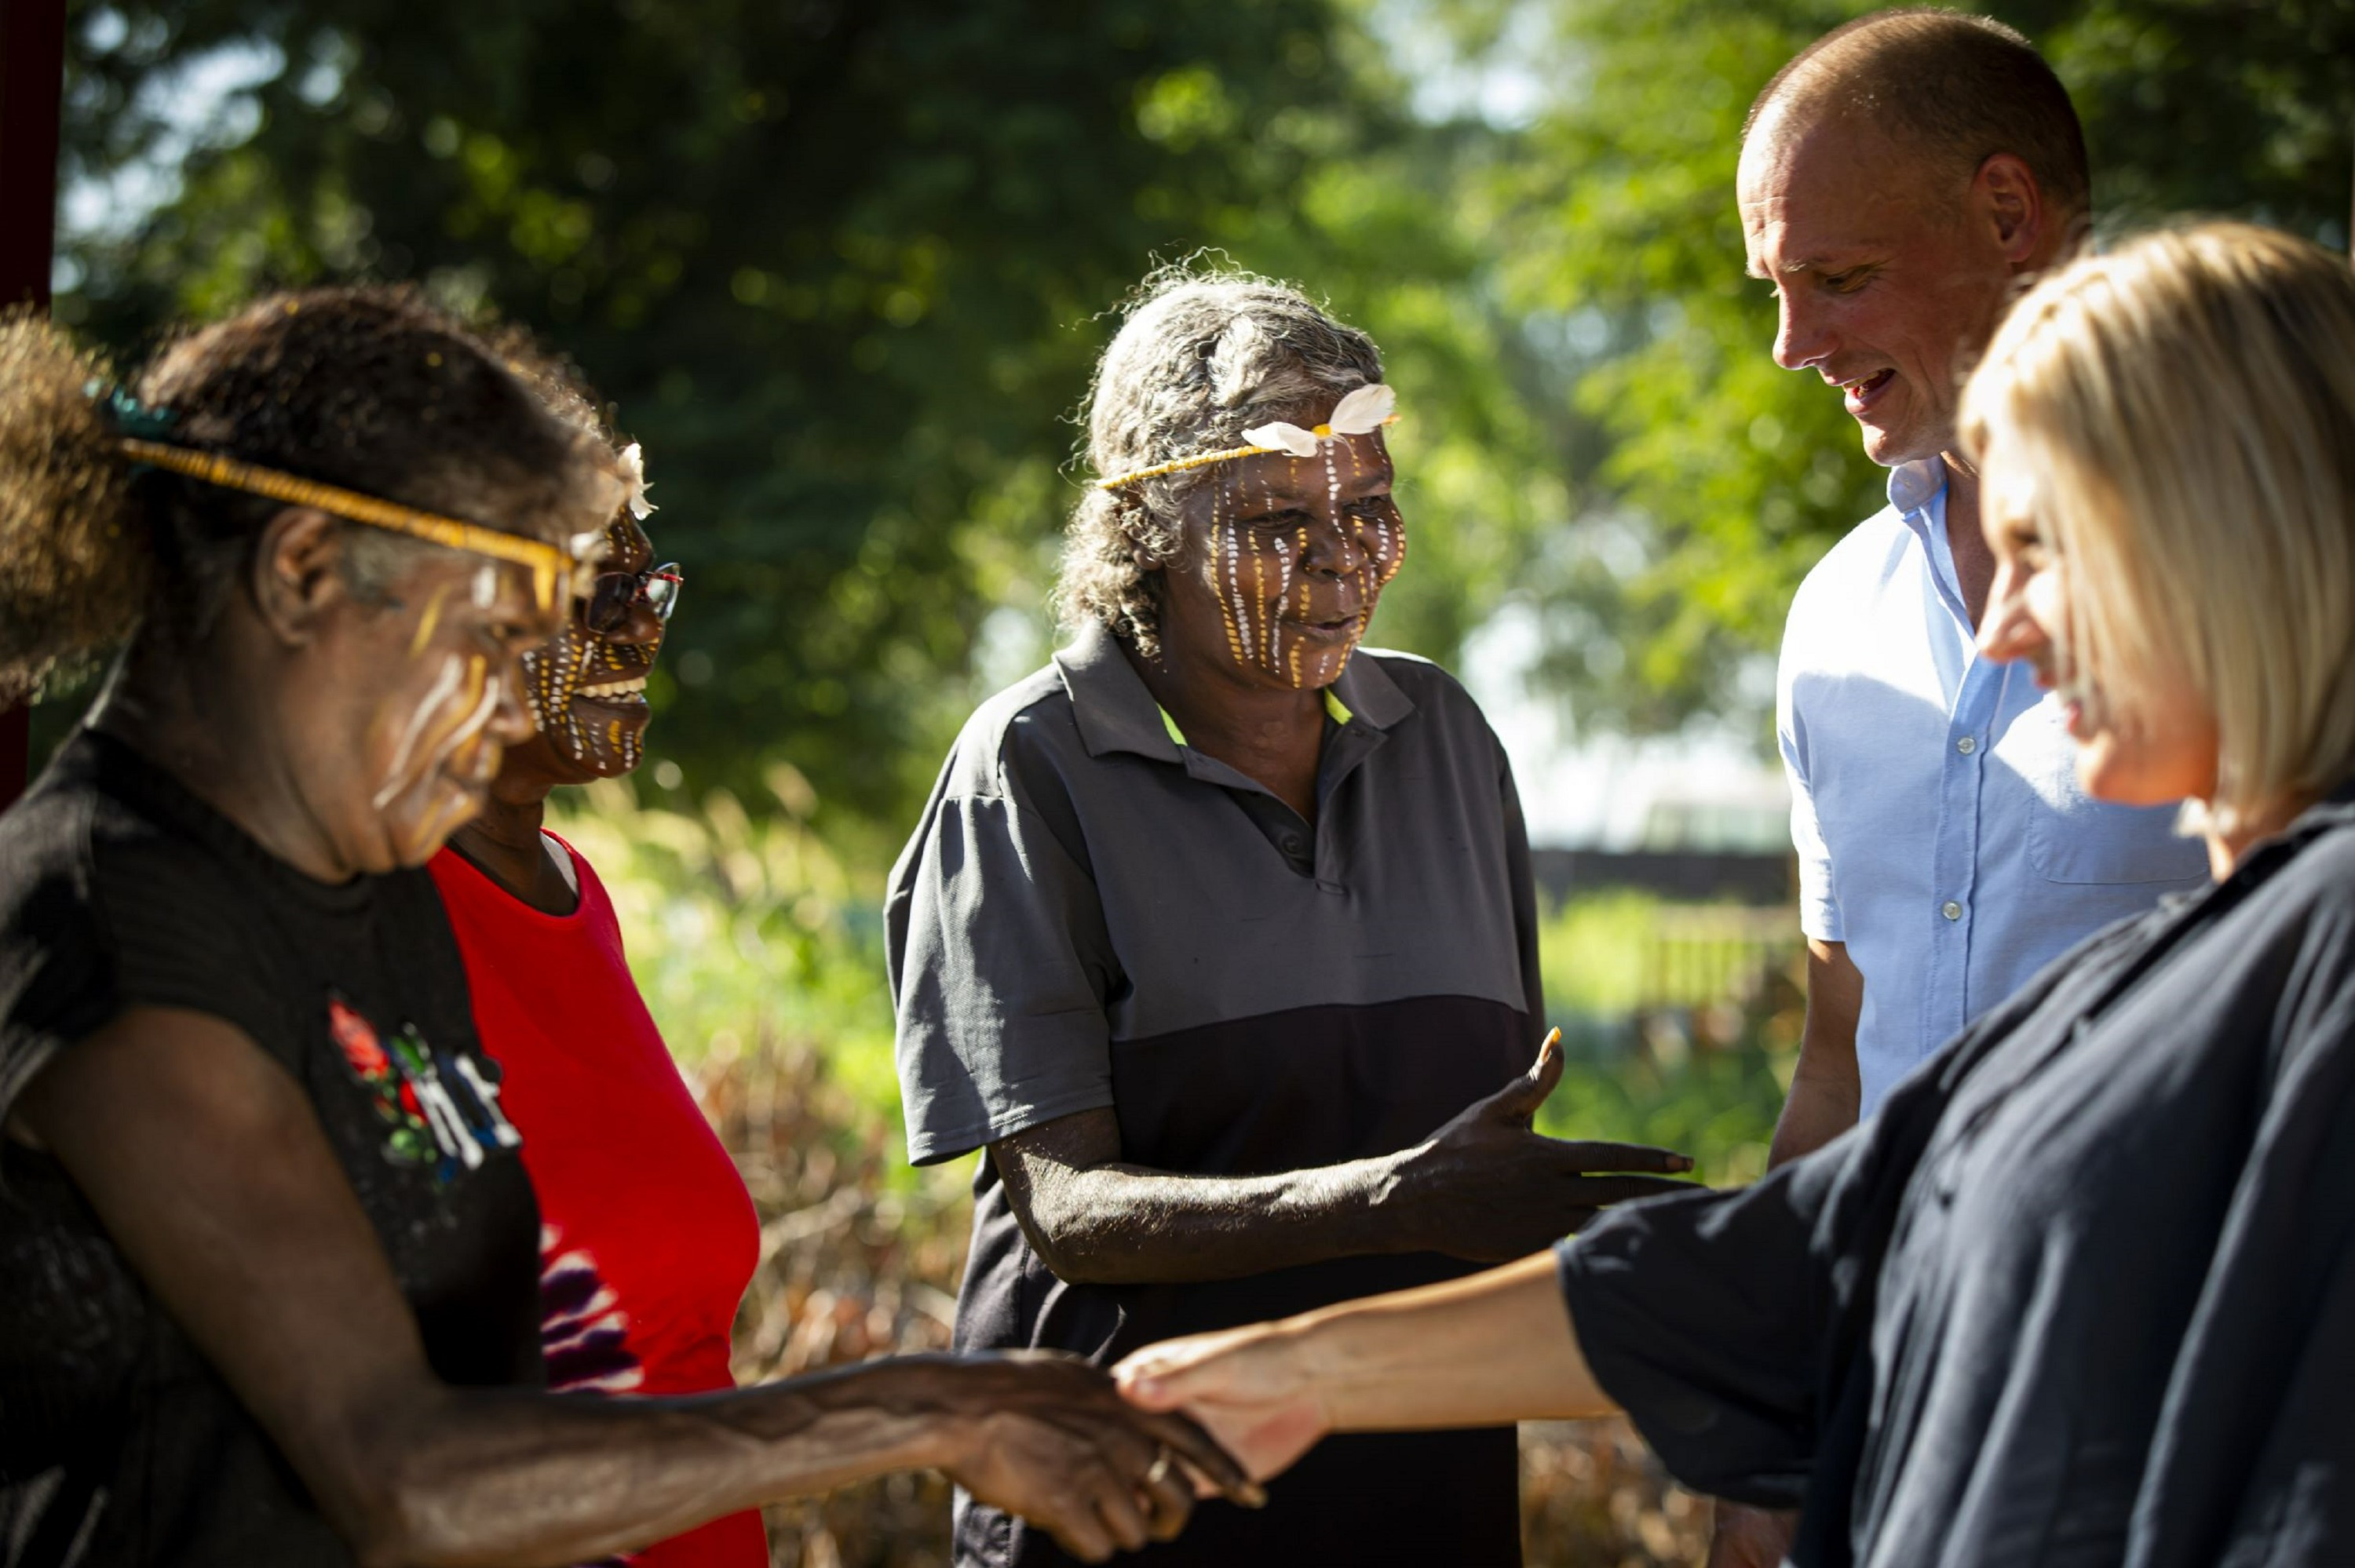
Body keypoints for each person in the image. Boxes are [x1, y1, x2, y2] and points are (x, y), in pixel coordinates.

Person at [1113, 222, 2355, 1568]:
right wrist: (1278, 1373)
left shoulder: (2327, 945)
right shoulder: (2168, 965)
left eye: (2048, 548)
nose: (2001, 629)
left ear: (2234, 535)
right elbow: (1792, 1266)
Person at [0, 287, 1251, 1568]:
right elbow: (404, 1472)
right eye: (497, 631)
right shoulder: (103, 912)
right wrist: (929, 1405)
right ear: (305, 570)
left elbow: (533, 1378)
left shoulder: (334, 896)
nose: (512, 703)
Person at [885, 270, 1694, 1568]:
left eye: (1369, 506)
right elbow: (1067, 1209)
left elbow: (1476, 1140)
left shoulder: (1447, 741)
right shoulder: (1029, 768)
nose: (1338, 554)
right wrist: (1397, 1199)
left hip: (1424, 1503)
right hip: (1130, 1505)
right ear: (1148, 525)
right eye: (1273, 516)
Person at [1751, 9, 2208, 1172]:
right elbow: (1836, 1063)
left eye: (1841, 277)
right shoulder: (1834, 615)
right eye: (1775, 289)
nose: (1793, 345)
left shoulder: (2275, 568)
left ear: (2010, 217)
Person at [427, 370, 765, 1566]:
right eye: (597, 587)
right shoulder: (367, 918)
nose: (641, 625)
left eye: (648, 582)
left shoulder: (579, 896)